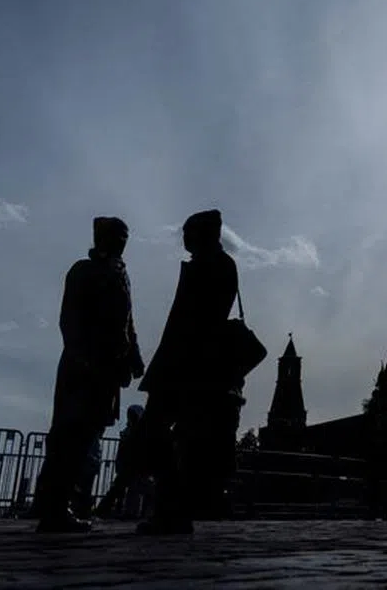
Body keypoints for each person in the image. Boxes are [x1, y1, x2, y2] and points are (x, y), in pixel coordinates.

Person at [34, 216, 144, 533]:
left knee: (88, 438)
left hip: (107, 370)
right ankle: (54, 507)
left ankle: (69, 503)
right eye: (116, 237)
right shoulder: (83, 271)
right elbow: (70, 319)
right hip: (83, 369)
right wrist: (82, 358)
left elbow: (128, 320)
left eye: (125, 238)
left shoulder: (121, 275)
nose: (121, 243)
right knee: (70, 436)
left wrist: (133, 355)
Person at [136, 209, 240, 535]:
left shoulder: (215, 266)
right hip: (184, 364)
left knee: (166, 434)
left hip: (189, 366)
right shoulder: (210, 265)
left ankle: (173, 509)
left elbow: (195, 321)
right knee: (166, 435)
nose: (184, 238)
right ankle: (172, 507)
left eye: (188, 232)